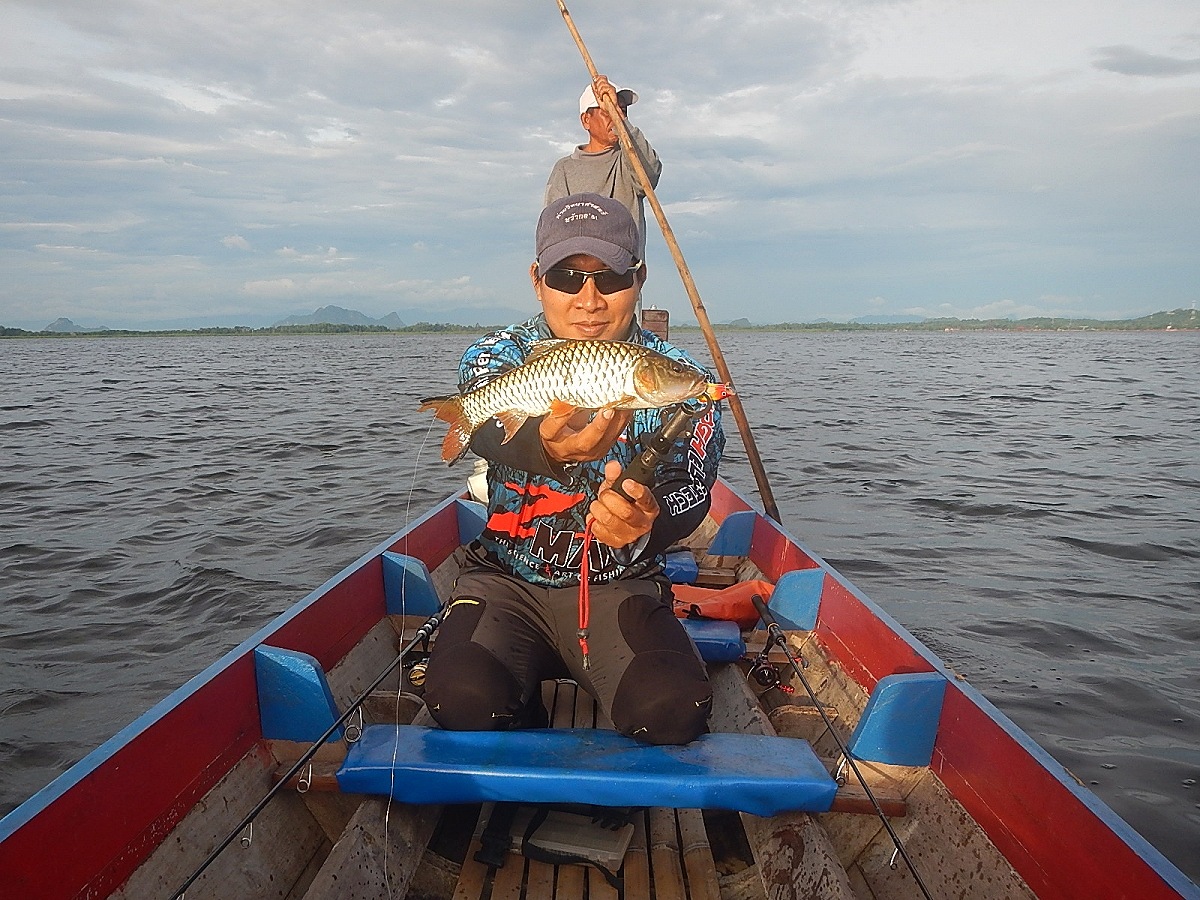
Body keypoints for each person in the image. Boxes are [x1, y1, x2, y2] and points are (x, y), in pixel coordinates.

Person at [422, 193, 724, 746]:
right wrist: (547, 450)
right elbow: (486, 429)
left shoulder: (682, 379)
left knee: (673, 710)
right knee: (461, 699)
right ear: (538, 279)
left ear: (639, 279)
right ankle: (520, 712)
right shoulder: (497, 355)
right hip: (506, 580)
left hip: (620, 584)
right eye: (567, 277)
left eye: (609, 278)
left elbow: (694, 488)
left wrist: (649, 522)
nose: (589, 300)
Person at [544, 75, 662, 262]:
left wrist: (621, 120)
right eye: (607, 111)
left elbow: (649, 175)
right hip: (578, 276)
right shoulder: (564, 169)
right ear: (586, 120)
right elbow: (554, 230)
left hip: (623, 277)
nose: (615, 117)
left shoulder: (629, 160)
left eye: (621, 110)